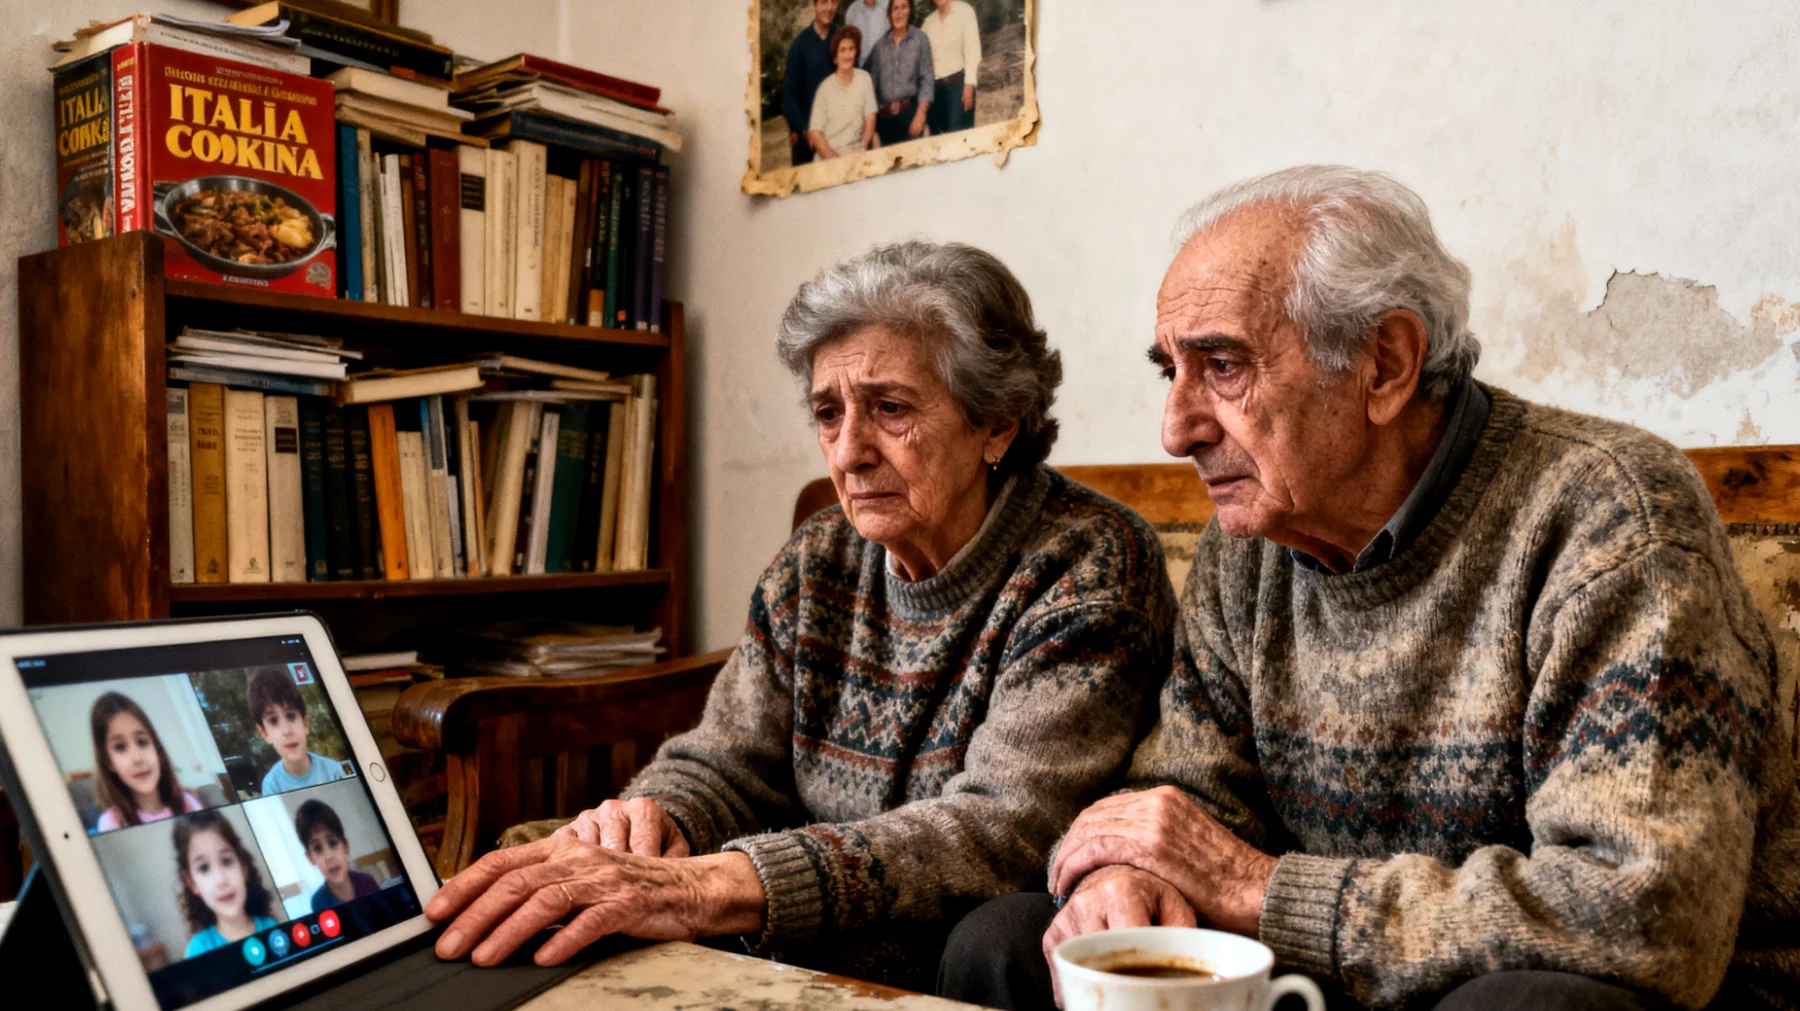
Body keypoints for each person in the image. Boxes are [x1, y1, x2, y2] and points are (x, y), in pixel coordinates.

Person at [937, 166, 1800, 1011]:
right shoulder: (1251, 545)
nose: (1176, 429)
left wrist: (1261, 888)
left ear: (1384, 364)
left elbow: (1646, 916)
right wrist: (1128, 874)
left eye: (1224, 366)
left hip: (1634, 991)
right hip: (1335, 978)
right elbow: (1190, 799)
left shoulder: (1611, 515)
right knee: (1006, 942)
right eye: (1172, 370)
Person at [424, 241, 1177, 991]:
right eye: (827, 411)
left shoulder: (1088, 560)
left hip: (963, 926)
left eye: (890, 407)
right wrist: (651, 822)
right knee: (552, 874)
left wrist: (708, 885)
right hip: (810, 895)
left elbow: (1002, 828)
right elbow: (725, 758)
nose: (849, 451)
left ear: (997, 424)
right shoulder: (819, 557)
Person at [90, 691, 205, 832]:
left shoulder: (188, 803)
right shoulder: (112, 824)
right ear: (108, 762)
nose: (138, 758)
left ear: (157, 750)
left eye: (142, 742)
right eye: (120, 747)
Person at [175, 810, 280, 958]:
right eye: (204, 868)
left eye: (226, 861)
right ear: (192, 883)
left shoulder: (271, 928)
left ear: (243, 868)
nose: (221, 880)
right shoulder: (198, 950)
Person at [248, 668, 343, 795]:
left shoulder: (335, 771)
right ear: (264, 733)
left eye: (291, 716)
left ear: (305, 724)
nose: (287, 731)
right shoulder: (271, 785)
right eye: (273, 721)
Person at [781, 0, 840, 168]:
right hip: (807, 136)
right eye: (823, 2)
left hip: (836, 131)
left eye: (833, 2)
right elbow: (789, 94)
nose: (829, 8)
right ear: (814, 5)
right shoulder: (799, 45)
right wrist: (802, 128)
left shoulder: (841, 39)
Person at [865, 0, 933, 146]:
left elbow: (927, 79)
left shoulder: (920, 39)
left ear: (910, 10)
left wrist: (921, 115)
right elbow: (871, 87)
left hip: (910, 116)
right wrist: (873, 127)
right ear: (889, 14)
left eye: (904, 7)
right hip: (884, 122)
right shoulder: (879, 48)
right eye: (895, 8)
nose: (899, 13)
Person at [295, 799, 381, 912]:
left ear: (346, 847)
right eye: (317, 848)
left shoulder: (367, 882)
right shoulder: (318, 902)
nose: (328, 856)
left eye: (333, 843)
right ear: (310, 858)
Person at [808, 26, 878, 159]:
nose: (847, 55)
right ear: (835, 57)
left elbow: (870, 118)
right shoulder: (825, 88)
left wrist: (863, 148)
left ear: (856, 53)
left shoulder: (865, 78)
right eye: (843, 50)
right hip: (829, 156)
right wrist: (835, 161)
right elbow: (816, 133)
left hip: (857, 152)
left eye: (851, 49)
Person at [919, 0, 979, 135]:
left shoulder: (965, 11)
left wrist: (969, 86)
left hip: (958, 87)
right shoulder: (928, 23)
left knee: (958, 138)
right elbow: (921, 60)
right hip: (935, 92)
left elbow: (972, 50)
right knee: (938, 141)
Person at [842, 0, 889, 65]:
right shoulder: (852, 11)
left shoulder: (888, 5)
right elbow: (849, 42)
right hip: (862, 64)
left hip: (886, 62)